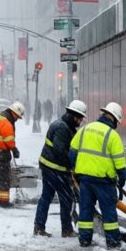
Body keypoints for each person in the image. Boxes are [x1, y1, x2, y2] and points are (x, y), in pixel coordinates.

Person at [70, 102, 126, 248]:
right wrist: (122, 178)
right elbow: (120, 163)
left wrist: (75, 170)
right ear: (114, 119)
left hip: (85, 181)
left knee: (85, 210)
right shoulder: (112, 135)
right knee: (109, 213)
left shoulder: (84, 129)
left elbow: (72, 153)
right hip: (104, 182)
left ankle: (84, 239)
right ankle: (113, 241)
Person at [33, 100, 87, 237]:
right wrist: (73, 167)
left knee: (46, 197)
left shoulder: (63, 125)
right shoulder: (62, 128)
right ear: (74, 116)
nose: (80, 121)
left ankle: (39, 227)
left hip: (49, 167)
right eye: (80, 118)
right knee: (66, 198)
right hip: (55, 169)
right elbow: (61, 151)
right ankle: (67, 230)